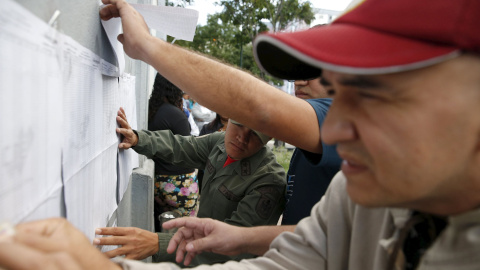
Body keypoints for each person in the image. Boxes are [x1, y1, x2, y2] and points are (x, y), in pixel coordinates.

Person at [2, 0, 480, 269]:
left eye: (378, 96)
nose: (333, 128)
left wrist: (147, 46)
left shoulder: (279, 180)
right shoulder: (358, 200)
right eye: (338, 92)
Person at [94, 108, 286, 266]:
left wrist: (157, 243)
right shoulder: (220, 143)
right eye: (239, 125)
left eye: (254, 134)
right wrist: (138, 139)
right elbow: (181, 146)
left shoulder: (268, 182)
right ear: (228, 120)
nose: (241, 138)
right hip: (197, 252)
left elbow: (237, 243)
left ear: (267, 140)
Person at [281, 78, 342, 225]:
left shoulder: (339, 118)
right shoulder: (312, 131)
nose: (299, 82)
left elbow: (259, 109)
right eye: (296, 75)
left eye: (311, 72)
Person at [147, 73, 199, 231]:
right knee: (185, 229)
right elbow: (187, 149)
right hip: (181, 183)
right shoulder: (177, 115)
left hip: (158, 181)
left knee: (164, 225)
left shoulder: (150, 109)